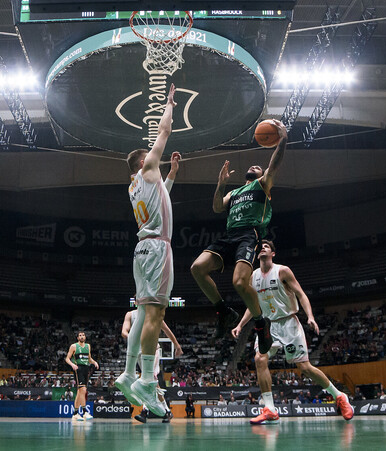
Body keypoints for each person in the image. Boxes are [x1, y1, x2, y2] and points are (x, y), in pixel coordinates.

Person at [190, 120, 288, 354]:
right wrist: (220, 184)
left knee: (239, 282)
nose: (255, 166)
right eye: (253, 166)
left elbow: (274, 165)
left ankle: (261, 324)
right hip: (229, 236)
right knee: (197, 268)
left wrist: (283, 139)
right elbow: (216, 207)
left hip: (248, 235)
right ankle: (223, 311)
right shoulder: (234, 193)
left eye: (258, 167)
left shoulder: (263, 185)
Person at [232, 240, 353, 424]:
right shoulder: (253, 276)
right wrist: (240, 325)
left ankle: (339, 396)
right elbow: (253, 305)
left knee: (304, 368)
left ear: (273, 253)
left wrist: (310, 316)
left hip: (288, 322)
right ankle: (270, 409)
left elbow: (301, 294)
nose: (263, 247)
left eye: (267, 246)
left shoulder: (283, 271)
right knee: (259, 359)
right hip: (267, 324)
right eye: (261, 246)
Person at [114, 83, 178, 420]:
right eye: (151, 154)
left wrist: (172, 176)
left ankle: (127, 373)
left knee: (142, 313)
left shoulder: (136, 185)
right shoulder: (148, 166)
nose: (156, 154)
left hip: (141, 250)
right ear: (144, 160)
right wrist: (169, 104)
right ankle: (147, 381)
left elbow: (159, 199)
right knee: (156, 314)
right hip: (157, 249)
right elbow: (165, 130)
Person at [122, 308, 184, 423]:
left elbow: (166, 330)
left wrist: (177, 346)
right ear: (136, 302)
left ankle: (144, 412)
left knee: (149, 379)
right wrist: (132, 336)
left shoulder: (154, 313)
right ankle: (167, 411)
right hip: (139, 352)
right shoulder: (130, 314)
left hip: (152, 351)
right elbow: (124, 332)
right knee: (154, 384)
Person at [65, 331, 99, 421]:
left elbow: (89, 358)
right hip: (78, 368)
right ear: (77, 338)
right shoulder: (74, 346)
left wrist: (94, 362)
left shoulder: (88, 346)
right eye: (80, 335)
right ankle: (84, 412)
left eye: (83, 335)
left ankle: (75, 413)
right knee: (83, 390)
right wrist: (72, 365)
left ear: (85, 337)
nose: (82, 336)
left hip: (86, 369)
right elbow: (67, 358)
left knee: (80, 392)